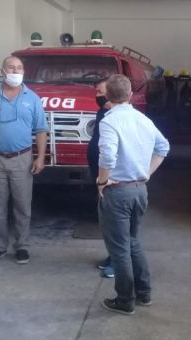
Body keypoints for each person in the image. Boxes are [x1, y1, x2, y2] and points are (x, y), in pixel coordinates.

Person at [97, 74, 170, 315]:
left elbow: (108, 156)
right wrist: (147, 173)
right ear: (130, 95)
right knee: (133, 241)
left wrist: (102, 180)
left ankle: (125, 299)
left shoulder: (109, 122)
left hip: (117, 192)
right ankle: (144, 292)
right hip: (140, 190)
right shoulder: (144, 120)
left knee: (119, 249)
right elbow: (163, 147)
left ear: (107, 96)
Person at [0, 56, 48, 265]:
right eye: (12, 67)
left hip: (22, 159)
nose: (16, 71)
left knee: (23, 206)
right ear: (3, 71)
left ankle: (22, 246)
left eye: (20, 68)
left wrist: (40, 157)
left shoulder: (32, 98)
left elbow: (41, 130)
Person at [86, 78, 114, 278]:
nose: (98, 95)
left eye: (101, 92)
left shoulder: (116, 117)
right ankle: (113, 255)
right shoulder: (102, 112)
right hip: (99, 175)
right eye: (96, 92)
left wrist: (104, 181)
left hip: (111, 180)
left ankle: (118, 263)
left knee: (116, 222)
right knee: (106, 220)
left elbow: (111, 154)